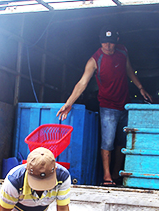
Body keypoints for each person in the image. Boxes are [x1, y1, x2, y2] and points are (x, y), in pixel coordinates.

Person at [57, 25, 152, 186]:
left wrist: (141, 87)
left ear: (117, 41)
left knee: (122, 141)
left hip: (125, 105)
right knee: (107, 142)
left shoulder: (123, 52)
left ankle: (116, 174)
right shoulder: (95, 60)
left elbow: (129, 70)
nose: (107, 46)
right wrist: (69, 103)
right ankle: (107, 177)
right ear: (100, 43)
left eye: (111, 43)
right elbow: (82, 83)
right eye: (104, 43)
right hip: (108, 106)